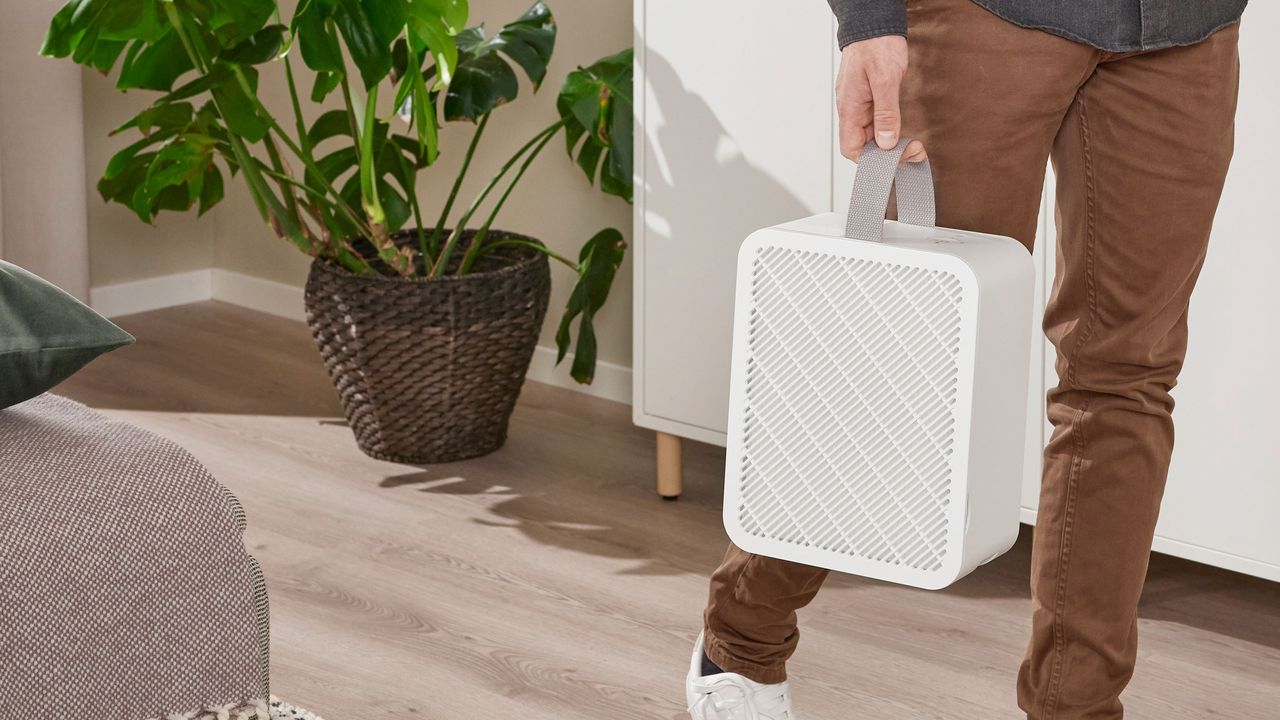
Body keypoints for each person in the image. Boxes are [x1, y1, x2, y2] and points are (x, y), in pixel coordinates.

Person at [685, 1, 1247, 718]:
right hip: (989, 17)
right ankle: (743, 638)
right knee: (909, 344)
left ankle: (1074, 709)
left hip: (1185, 28)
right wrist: (867, 19)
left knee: (1129, 378)